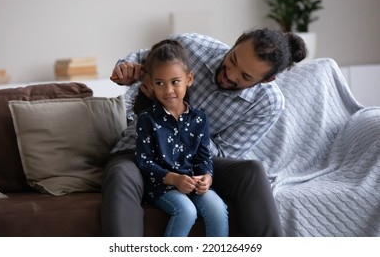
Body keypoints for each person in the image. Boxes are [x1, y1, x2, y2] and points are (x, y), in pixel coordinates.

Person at [101, 28, 307, 237]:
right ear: (236, 42)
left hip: (195, 162)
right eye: (233, 59)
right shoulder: (191, 46)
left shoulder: (268, 103)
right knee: (121, 172)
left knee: (252, 170)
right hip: (141, 149)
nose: (230, 74)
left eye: (245, 76)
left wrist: (183, 123)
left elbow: (225, 153)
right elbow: (140, 59)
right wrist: (126, 72)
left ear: (266, 79)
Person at [134, 39, 228, 237]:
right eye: (160, 83)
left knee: (217, 208)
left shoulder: (200, 119)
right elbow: (145, 162)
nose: (168, 90)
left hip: (193, 183)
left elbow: (204, 159)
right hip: (162, 187)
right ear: (150, 83)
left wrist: (207, 178)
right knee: (186, 210)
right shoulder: (146, 120)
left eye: (175, 82)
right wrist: (174, 179)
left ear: (189, 79)